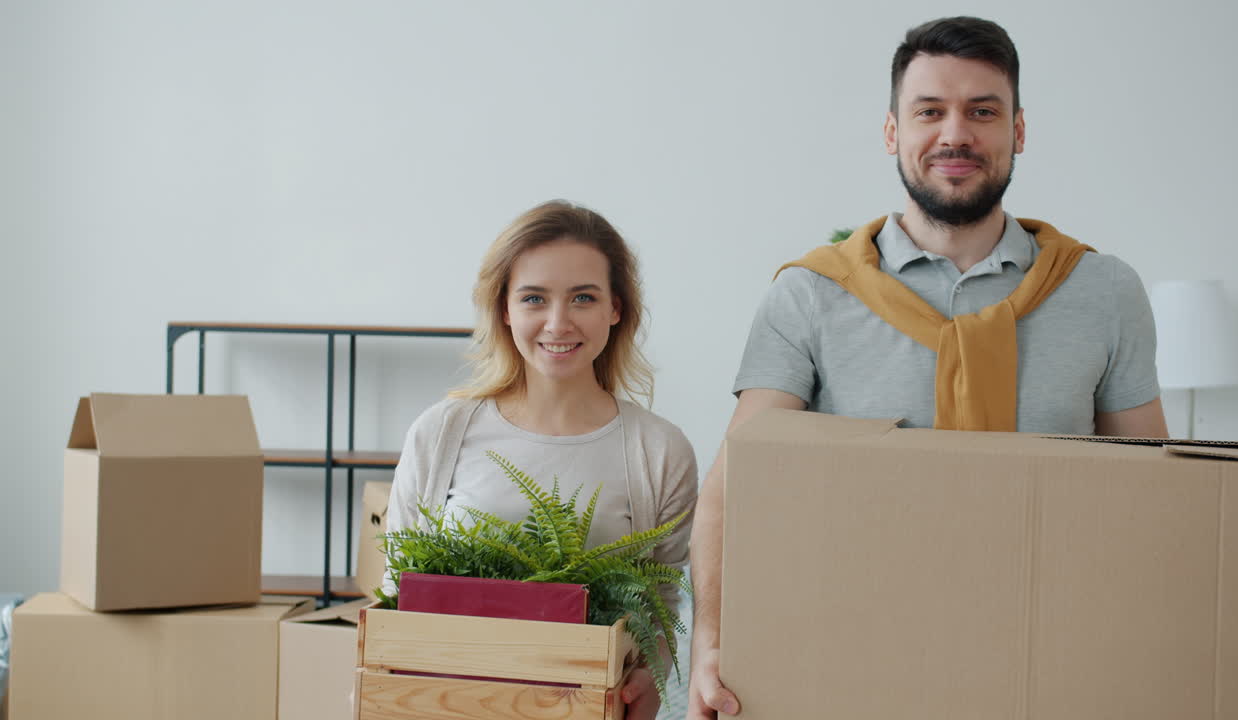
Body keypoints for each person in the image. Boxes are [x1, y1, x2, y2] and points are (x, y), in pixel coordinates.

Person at [686, 16, 1169, 719]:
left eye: (982, 111)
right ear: (892, 133)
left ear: (1019, 131)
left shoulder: (1103, 291)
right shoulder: (813, 293)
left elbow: (1151, 489)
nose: (955, 134)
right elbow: (737, 487)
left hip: (1053, 666)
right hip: (849, 660)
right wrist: (711, 645)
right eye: (930, 112)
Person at [384, 200, 698, 720]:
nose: (558, 323)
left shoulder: (659, 451)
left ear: (615, 309)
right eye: (534, 298)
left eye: (583, 297)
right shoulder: (442, 433)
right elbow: (399, 591)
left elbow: (659, 606)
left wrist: (648, 680)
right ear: (504, 309)